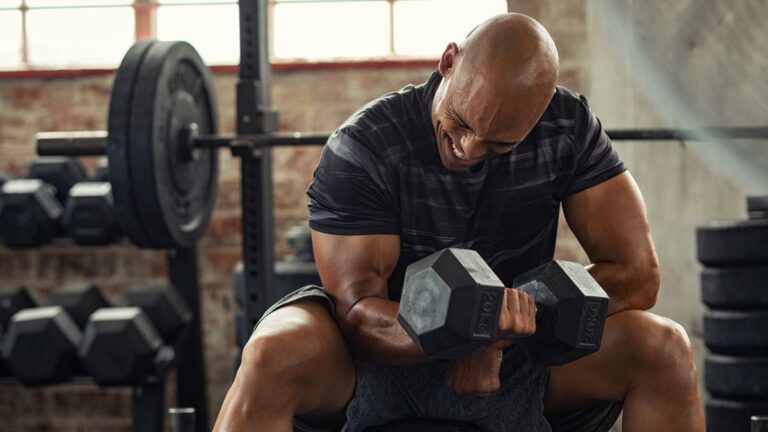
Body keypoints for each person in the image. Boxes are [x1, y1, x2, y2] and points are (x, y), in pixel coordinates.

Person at [214, 13, 704, 432]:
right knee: (272, 352)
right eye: (463, 123)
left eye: (498, 144)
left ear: (540, 113)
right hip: (375, 362)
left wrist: (503, 331)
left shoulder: (566, 127)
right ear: (448, 61)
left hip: (517, 360)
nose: (469, 150)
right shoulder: (366, 144)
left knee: (663, 348)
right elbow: (359, 313)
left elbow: (638, 275)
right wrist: (472, 330)